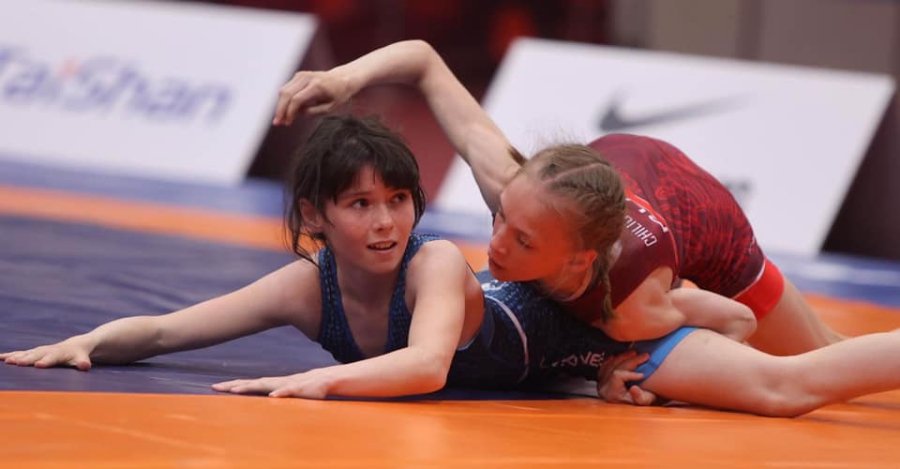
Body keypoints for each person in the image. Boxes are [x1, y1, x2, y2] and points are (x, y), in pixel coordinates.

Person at [4, 114, 900, 418]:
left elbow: (430, 364)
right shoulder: (304, 289)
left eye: (398, 199)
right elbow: (170, 328)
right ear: (314, 216)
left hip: (606, 332)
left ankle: (695, 303)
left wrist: (317, 382)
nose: (387, 222)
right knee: (781, 367)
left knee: (789, 386)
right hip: (577, 364)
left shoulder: (434, 263)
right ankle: (696, 308)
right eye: (361, 205)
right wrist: (91, 342)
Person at [270, 39, 843, 357]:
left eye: (521, 241)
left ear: (576, 261)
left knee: (817, 351)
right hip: (619, 167)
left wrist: (640, 367)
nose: (495, 248)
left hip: (702, 215)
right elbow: (423, 60)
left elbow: (738, 321)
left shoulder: (627, 308)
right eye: (500, 222)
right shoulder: (519, 193)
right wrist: (345, 78)